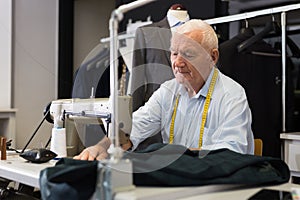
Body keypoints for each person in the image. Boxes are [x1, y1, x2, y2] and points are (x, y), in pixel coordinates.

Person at [74, 19, 254, 161]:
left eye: (188, 54)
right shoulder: (168, 91)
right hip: (179, 181)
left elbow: (231, 154)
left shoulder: (232, 95)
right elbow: (133, 127)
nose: (177, 63)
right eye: (174, 53)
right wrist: (101, 147)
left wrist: (165, 156)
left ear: (213, 57)